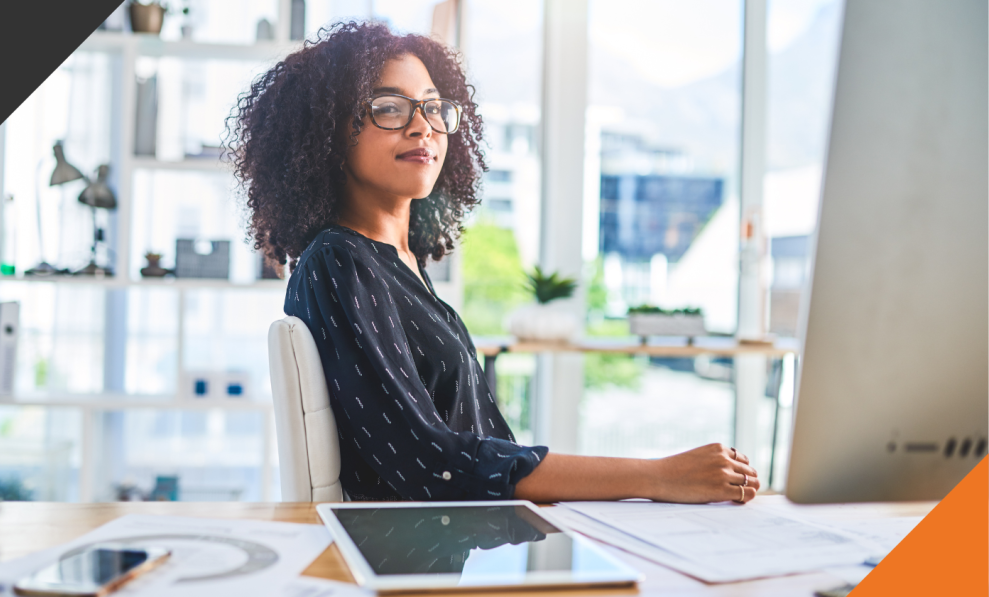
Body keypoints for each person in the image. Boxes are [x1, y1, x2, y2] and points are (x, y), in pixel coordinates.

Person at [225, 21, 760, 503]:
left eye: (433, 107)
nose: (423, 127)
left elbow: (482, 450)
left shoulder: (400, 265)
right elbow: (434, 465)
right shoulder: (339, 263)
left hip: (457, 545)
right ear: (327, 133)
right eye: (389, 107)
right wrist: (656, 478)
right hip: (409, 567)